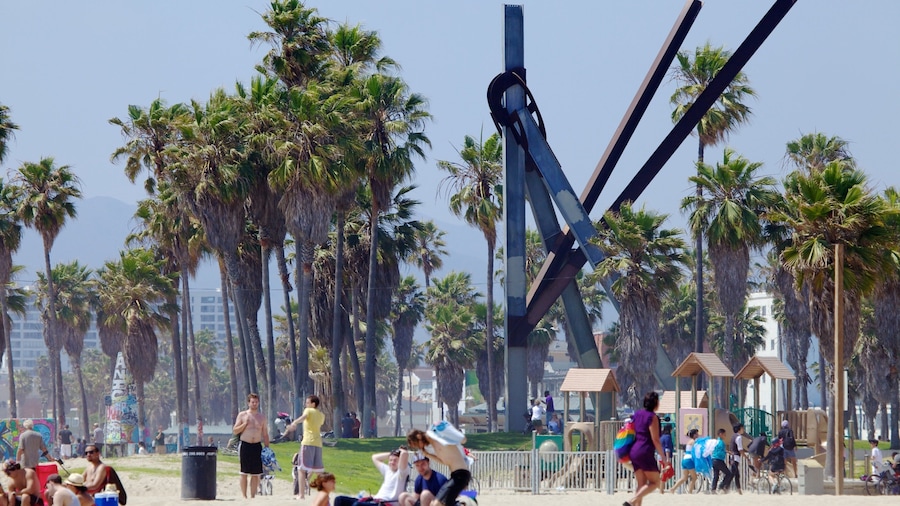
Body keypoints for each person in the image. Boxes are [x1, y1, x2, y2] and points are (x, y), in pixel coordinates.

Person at [623, 392, 668, 506]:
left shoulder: (637, 414)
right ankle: (631, 501)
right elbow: (655, 439)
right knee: (655, 482)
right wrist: (663, 457)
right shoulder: (652, 417)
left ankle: (633, 502)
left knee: (641, 484)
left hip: (634, 451)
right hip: (645, 451)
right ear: (655, 403)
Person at [407, 428, 469, 506]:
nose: (419, 448)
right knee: (434, 503)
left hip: (461, 475)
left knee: (437, 504)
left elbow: (463, 439)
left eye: (416, 445)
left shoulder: (435, 434)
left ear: (419, 437)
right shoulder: (431, 447)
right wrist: (428, 455)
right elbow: (445, 462)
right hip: (456, 475)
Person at [333, 447, 410, 506]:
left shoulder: (401, 473)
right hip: (374, 501)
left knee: (357, 505)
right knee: (339, 499)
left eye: (395, 460)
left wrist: (401, 451)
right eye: (390, 460)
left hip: (385, 504)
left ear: (400, 461)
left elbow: (405, 454)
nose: (392, 462)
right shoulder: (388, 470)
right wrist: (392, 453)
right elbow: (375, 457)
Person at [232, 392, 270, 499]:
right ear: (249, 403)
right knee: (244, 472)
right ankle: (244, 495)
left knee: (255, 473)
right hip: (245, 445)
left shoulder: (262, 418)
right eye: (252, 402)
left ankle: (253, 496)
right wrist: (244, 424)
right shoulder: (243, 415)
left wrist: (267, 448)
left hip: (257, 446)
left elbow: (265, 434)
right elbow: (235, 430)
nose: (254, 404)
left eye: (256, 402)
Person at [288, 395, 325, 499]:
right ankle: (323, 494)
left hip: (308, 442)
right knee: (318, 470)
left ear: (313, 404)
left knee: (301, 469)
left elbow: (303, 418)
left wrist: (294, 422)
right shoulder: (321, 415)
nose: (306, 404)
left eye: (308, 402)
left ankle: (301, 495)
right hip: (318, 443)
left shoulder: (308, 411)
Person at [669, 429, 699, 494]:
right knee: (694, 477)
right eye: (696, 434)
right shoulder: (694, 441)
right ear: (694, 435)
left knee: (684, 477)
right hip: (690, 460)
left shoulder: (688, 442)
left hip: (685, 459)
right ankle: (690, 492)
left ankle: (673, 488)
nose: (698, 435)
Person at [710, 428, 732, 494]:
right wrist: (726, 453)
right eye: (724, 434)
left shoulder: (716, 442)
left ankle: (713, 489)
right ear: (720, 434)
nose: (725, 436)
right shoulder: (721, 442)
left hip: (713, 459)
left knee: (716, 475)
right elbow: (721, 452)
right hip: (719, 460)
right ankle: (721, 486)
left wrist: (727, 451)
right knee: (728, 473)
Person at [728, 423, 746, 494]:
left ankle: (738, 489)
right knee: (734, 474)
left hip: (733, 457)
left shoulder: (733, 436)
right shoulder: (739, 437)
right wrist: (745, 456)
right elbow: (740, 449)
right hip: (735, 457)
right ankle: (724, 486)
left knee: (734, 474)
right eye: (742, 428)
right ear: (740, 429)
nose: (743, 429)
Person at [657, 425, 674, 494]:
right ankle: (661, 489)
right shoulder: (667, 437)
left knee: (666, 472)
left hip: (660, 455)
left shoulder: (661, 437)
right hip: (664, 456)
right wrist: (667, 458)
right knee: (668, 472)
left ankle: (661, 488)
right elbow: (667, 448)